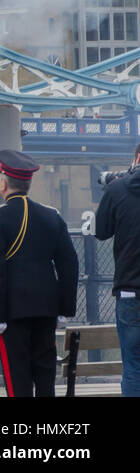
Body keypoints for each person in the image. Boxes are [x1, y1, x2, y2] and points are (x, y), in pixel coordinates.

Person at [0, 149, 79, 397]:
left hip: (12, 312)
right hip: (47, 309)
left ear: (3, 183)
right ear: (29, 182)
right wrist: (65, 309)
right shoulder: (52, 216)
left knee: (18, 381)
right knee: (45, 377)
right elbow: (69, 263)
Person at [93, 143, 140, 397]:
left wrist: (113, 189)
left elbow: (101, 232)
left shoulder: (117, 189)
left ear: (137, 157)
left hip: (130, 293)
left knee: (133, 366)